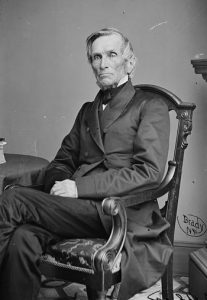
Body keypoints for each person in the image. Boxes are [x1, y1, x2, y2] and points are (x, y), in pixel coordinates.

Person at [0, 27, 172, 300]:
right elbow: (63, 159)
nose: (102, 63)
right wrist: (58, 183)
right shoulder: (87, 110)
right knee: (22, 238)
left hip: (116, 212)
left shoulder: (150, 106)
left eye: (111, 54)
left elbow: (148, 172)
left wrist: (78, 187)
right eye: (95, 57)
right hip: (76, 208)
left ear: (130, 61)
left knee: (12, 202)